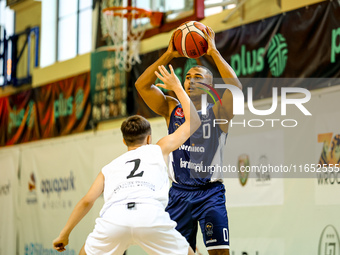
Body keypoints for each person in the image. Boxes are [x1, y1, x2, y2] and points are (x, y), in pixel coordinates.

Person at [53, 65, 200, 255]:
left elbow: (87, 201)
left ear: (124, 140)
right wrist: (177, 88)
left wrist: (64, 234)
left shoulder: (109, 168)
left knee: (83, 253)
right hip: (150, 216)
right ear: (149, 138)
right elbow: (194, 122)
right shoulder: (158, 149)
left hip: (114, 218)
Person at [135, 26, 242, 255]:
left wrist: (213, 52)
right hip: (179, 193)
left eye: (198, 76)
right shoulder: (172, 107)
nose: (191, 80)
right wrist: (169, 54)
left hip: (209, 193)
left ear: (210, 86)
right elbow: (141, 86)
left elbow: (237, 89)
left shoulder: (220, 112)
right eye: (187, 77)